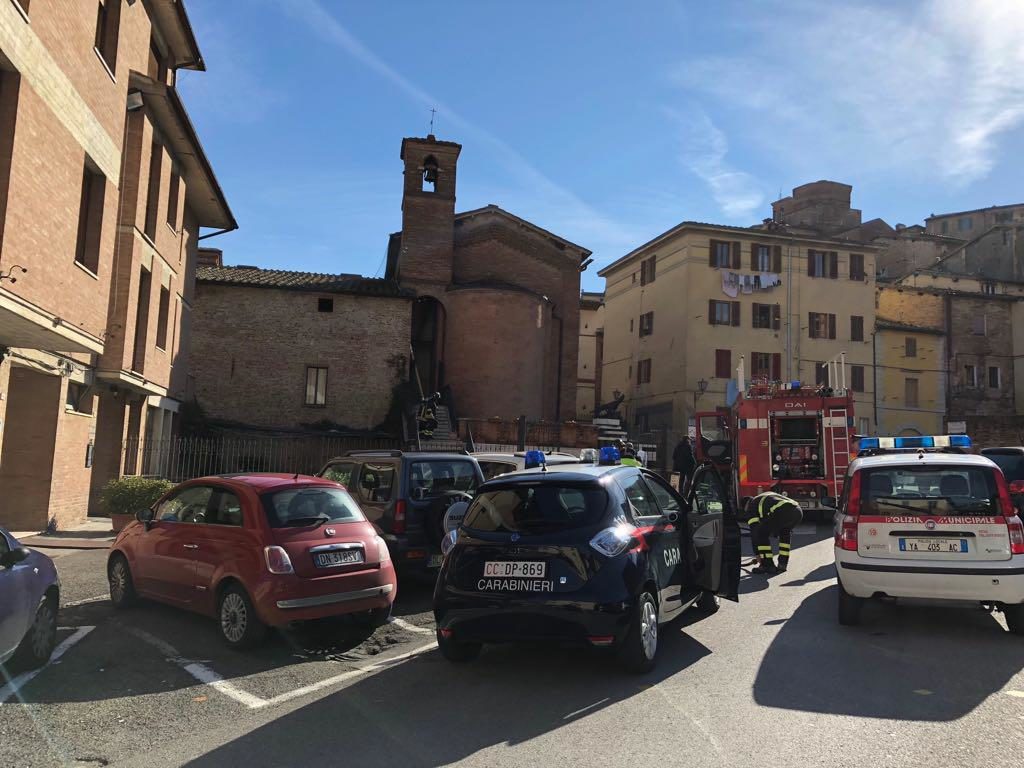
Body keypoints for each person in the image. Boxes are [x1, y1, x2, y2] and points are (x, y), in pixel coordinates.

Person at [744, 491, 803, 574]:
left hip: (782, 511)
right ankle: (782, 564)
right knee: (784, 532)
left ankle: (767, 565)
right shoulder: (764, 496)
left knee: (761, 533)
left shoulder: (752, 506)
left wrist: (757, 554)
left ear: (746, 506)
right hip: (797, 511)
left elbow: (755, 532)